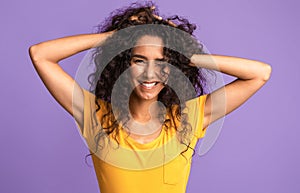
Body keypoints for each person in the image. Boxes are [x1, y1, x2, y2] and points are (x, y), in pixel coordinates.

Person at [29, 2, 271, 193]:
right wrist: (118, 38)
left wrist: (186, 54)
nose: (150, 73)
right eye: (138, 60)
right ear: (123, 64)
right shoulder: (96, 116)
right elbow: (40, 54)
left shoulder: (189, 117)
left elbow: (260, 74)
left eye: (162, 62)